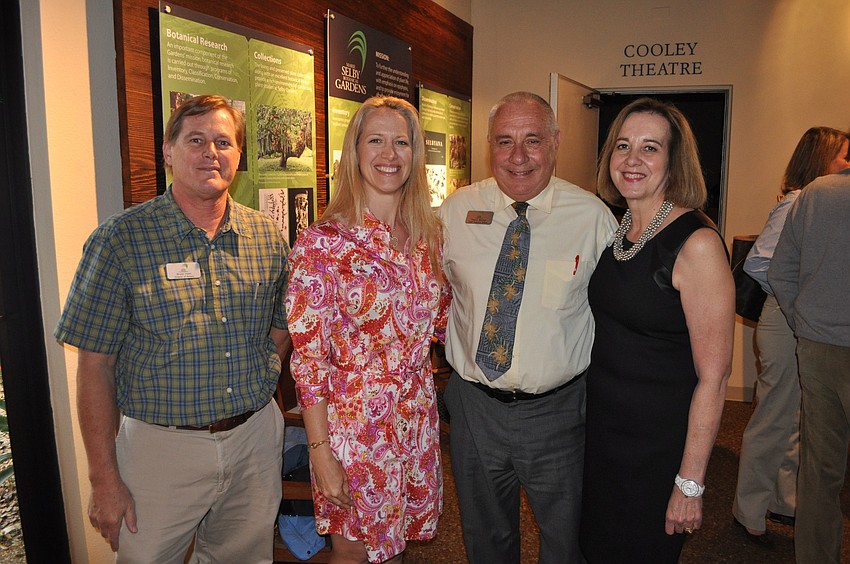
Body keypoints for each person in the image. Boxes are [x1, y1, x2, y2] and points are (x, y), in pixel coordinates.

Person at [54, 94, 290, 561]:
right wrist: (104, 479)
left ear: (239, 156)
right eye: (196, 139)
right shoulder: (120, 240)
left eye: (224, 142)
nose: (211, 152)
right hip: (160, 452)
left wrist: (256, 385)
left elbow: (280, 329)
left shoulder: (266, 237)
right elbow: (95, 367)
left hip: (253, 442)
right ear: (168, 151)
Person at [439, 91, 617, 563]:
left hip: (558, 415)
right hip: (475, 409)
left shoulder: (594, 220)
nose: (518, 157)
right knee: (485, 537)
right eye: (504, 141)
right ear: (489, 148)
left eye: (532, 140)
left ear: (555, 143)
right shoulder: (454, 213)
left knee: (566, 540)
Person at [286, 96, 451, 564]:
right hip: (353, 430)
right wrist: (320, 453)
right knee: (355, 554)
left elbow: (438, 325)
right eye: (376, 140)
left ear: (415, 155)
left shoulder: (428, 237)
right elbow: (309, 360)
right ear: (354, 152)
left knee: (395, 550)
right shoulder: (324, 243)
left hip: (415, 420)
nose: (389, 154)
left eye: (401, 142)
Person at [579, 97, 735, 563]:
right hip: (605, 436)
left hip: (656, 449)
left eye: (650, 148)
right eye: (623, 145)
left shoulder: (697, 244)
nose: (631, 159)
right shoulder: (622, 228)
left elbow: (716, 377)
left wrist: (689, 483)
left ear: (674, 161)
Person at [732, 127, 850, 543]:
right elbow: (759, 264)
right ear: (822, 159)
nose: (847, 164)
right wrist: (800, 304)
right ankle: (748, 508)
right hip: (785, 320)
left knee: (800, 422)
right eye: (842, 157)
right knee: (775, 417)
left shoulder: (815, 199)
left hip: (798, 319)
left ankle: (783, 500)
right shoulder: (800, 200)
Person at [769, 166, 850, 564]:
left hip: (818, 348)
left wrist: (806, 324)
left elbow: (779, 269)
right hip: (819, 342)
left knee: (820, 473)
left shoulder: (819, 192)